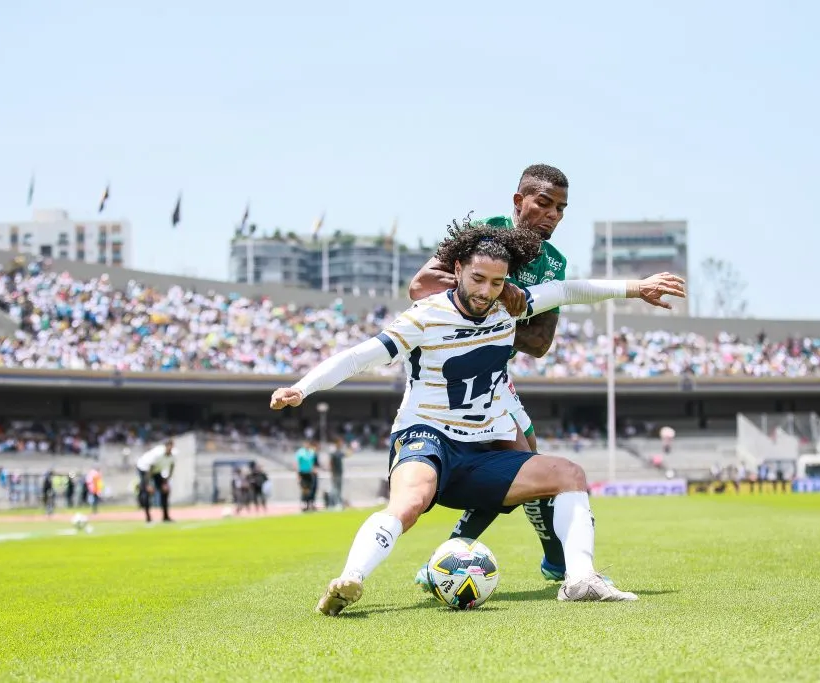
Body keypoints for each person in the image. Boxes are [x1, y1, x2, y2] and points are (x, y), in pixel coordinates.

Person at [269, 218, 685, 615]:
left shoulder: (512, 307)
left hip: (483, 445)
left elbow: (571, 290)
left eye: (497, 282)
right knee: (410, 502)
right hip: (426, 436)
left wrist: (637, 287)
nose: (487, 291)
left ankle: (580, 580)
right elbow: (359, 356)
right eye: (478, 279)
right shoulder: (425, 316)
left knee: (569, 474)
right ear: (457, 270)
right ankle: (350, 580)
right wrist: (300, 388)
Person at [407, 163, 572, 588]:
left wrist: (497, 308)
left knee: (525, 468)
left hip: (494, 377)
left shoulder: (554, 263)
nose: (552, 214)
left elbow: (539, 344)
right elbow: (421, 285)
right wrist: (495, 300)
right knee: (521, 469)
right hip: (446, 377)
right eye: (544, 203)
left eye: (561, 208)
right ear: (519, 202)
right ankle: (550, 559)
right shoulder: (486, 234)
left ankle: (550, 559)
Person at [135, 438, 176, 523]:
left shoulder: (173, 454)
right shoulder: (158, 454)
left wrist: (166, 482)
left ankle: (165, 516)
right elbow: (150, 469)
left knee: (165, 491)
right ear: (166, 446)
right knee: (147, 491)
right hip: (144, 468)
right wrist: (148, 484)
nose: (170, 448)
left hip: (156, 470)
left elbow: (172, 467)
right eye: (169, 446)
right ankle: (148, 517)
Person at [295, 441, 320, 512]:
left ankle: (309, 504)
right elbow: (297, 463)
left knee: (310, 489)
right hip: (303, 473)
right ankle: (304, 504)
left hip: (309, 473)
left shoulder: (311, 452)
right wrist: (297, 474)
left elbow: (312, 463)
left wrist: (313, 470)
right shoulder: (300, 452)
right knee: (304, 489)